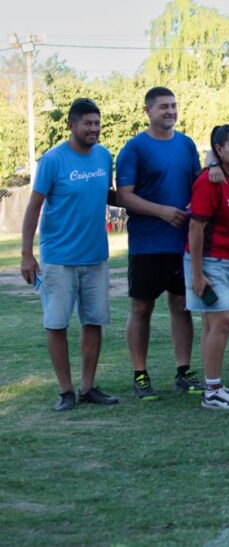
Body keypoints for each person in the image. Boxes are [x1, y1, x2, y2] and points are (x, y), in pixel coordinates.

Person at [21, 98, 119, 411]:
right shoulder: (52, 160)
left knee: (94, 321)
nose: (94, 129)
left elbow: (109, 195)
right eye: (87, 123)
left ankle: (87, 387)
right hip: (58, 259)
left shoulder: (104, 156)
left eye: (97, 123)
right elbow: (33, 208)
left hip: (96, 257)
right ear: (71, 125)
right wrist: (26, 254)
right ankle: (66, 391)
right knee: (56, 324)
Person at [115, 86, 202, 399]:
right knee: (141, 308)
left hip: (182, 243)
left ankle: (184, 372)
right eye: (163, 106)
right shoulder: (134, 148)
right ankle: (140, 375)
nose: (170, 111)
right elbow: (124, 196)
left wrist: (195, 205)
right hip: (147, 244)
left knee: (181, 306)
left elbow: (198, 186)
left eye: (174, 105)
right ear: (148, 111)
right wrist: (162, 211)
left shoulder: (186, 144)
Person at [185, 125, 229, 410]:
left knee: (214, 323)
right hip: (209, 260)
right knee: (222, 321)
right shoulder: (210, 181)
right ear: (219, 150)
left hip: (226, 260)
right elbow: (195, 228)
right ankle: (212, 391)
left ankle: (214, 385)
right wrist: (198, 274)